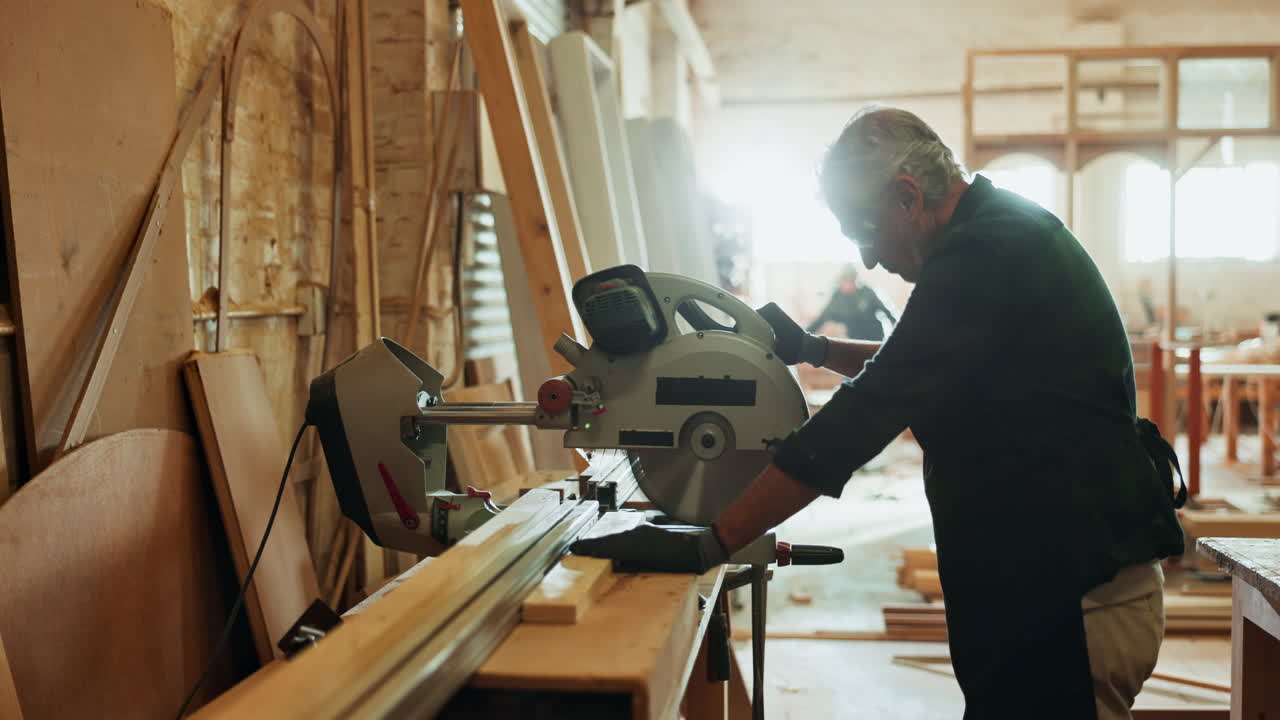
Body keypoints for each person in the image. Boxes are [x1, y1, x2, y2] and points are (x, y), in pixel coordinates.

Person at [571, 106, 1186, 720]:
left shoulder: (989, 252)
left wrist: (716, 541)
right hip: (1045, 586)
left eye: (864, 233)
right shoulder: (993, 234)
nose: (866, 261)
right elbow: (921, 365)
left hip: (1071, 601)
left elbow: (871, 409)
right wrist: (813, 350)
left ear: (906, 197)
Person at [806, 265, 897, 341]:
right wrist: (804, 336)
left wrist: (899, 333)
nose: (847, 284)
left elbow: (888, 313)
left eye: (850, 280)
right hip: (855, 340)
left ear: (855, 280)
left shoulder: (867, 293)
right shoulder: (837, 297)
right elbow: (821, 318)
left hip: (875, 337)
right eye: (844, 281)